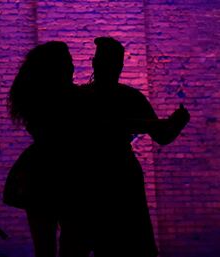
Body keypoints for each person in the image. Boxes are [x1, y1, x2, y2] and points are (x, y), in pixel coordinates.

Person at [75, 37, 190, 257]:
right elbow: (162, 136)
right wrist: (177, 122)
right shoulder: (129, 97)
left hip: (93, 177)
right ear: (120, 65)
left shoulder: (81, 97)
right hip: (120, 175)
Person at [5, 41, 82, 257]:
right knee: (72, 242)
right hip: (69, 170)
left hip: (37, 171)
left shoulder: (32, 96)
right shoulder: (74, 97)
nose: (73, 67)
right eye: (69, 63)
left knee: (44, 245)